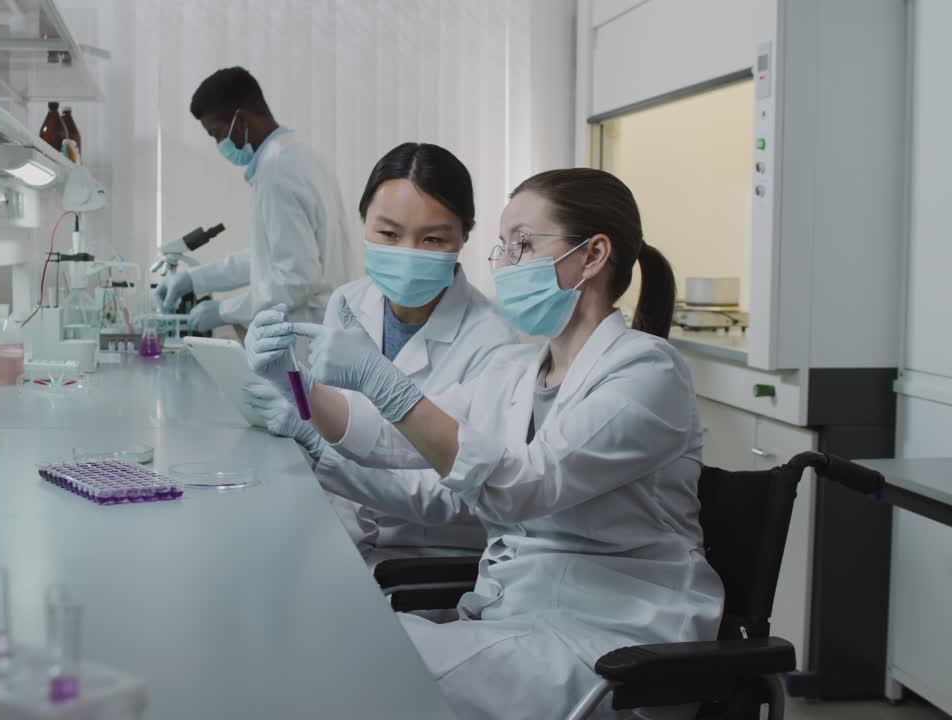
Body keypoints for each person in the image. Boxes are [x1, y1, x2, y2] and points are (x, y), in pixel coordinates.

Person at [246, 168, 724, 719]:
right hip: (516, 622)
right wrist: (298, 387)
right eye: (503, 246)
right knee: (328, 634)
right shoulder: (519, 370)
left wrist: (382, 382)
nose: (503, 263)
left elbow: (524, 485)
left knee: (355, 663)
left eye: (522, 244)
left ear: (592, 256)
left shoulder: (647, 372)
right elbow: (402, 444)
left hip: (612, 645)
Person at [241, 142, 518, 565]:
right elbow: (319, 407)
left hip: (415, 554)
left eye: (432, 238)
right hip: (336, 530)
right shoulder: (349, 302)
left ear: (464, 235)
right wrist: (290, 379)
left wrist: (317, 442)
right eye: (388, 234)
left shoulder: (492, 342)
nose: (408, 252)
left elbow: (448, 494)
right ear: (363, 222)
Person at [156, 67, 355, 334]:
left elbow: (296, 279)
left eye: (217, 134)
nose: (219, 144)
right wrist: (195, 279)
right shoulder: (301, 158)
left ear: (240, 121)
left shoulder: (277, 172)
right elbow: (271, 258)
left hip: (304, 338)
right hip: (322, 329)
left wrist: (223, 311)